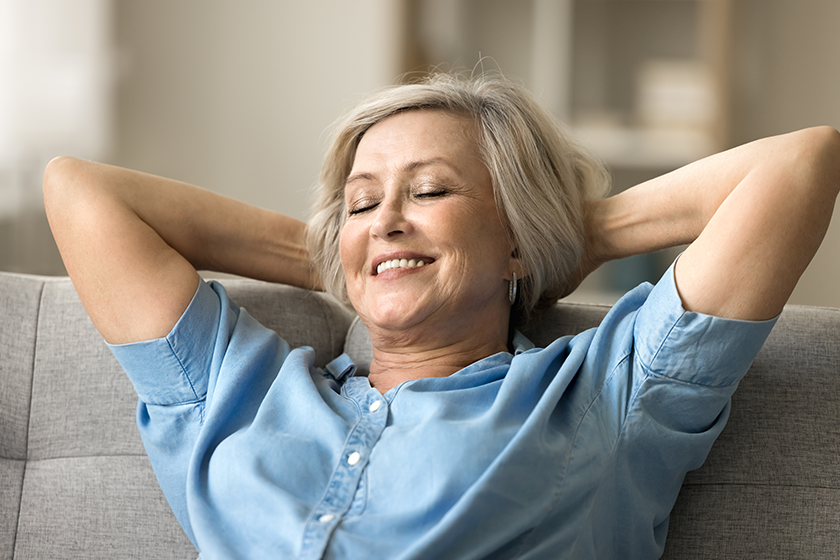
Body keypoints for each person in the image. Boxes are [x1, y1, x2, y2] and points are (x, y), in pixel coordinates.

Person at [44, 73, 840, 559]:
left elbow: (801, 164)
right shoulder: (235, 392)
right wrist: (341, 254)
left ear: (516, 237)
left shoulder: (601, 401)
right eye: (363, 200)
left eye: (429, 191)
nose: (387, 217)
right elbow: (79, 191)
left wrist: (564, 237)